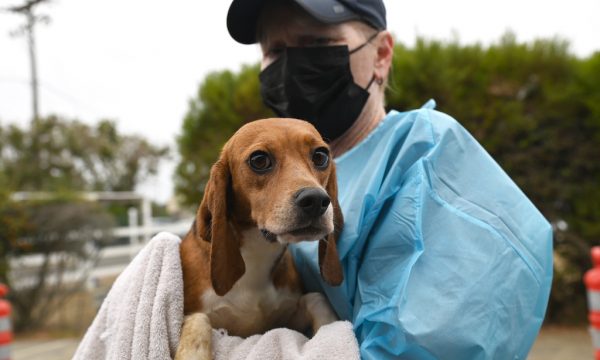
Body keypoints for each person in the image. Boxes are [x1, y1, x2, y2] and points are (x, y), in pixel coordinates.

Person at [226, 1, 554, 359]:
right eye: (275, 49)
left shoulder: (424, 155)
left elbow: (427, 347)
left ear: (381, 54)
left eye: (317, 43)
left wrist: (224, 352)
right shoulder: (272, 185)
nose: (291, 66)